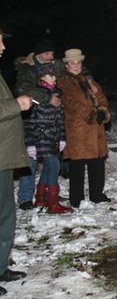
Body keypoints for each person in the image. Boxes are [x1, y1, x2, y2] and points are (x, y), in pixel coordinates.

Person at [57, 49, 111, 208]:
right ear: (66, 65)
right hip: (78, 129)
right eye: (72, 63)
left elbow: (101, 97)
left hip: (95, 130)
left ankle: (96, 194)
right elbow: (71, 104)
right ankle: (76, 198)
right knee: (77, 165)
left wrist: (103, 110)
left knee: (97, 162)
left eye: (78, 62)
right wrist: (93, 113)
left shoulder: (89, 80)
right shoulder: (63, 82)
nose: (75, 66)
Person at [14, 38, 64, 210]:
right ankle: (25, 198)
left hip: (50, 121)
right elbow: (23, 90)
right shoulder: (28, 69)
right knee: (31, 160)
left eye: (52, 53)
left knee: (52, 160)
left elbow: (77, 70)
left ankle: (46, 193)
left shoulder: (55, 66)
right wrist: (48, 98)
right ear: (39, 55)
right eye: (47, 54)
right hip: (32, 120)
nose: (51, 57)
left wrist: (86, 77)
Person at [0, 28, 31, 296]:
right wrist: (16, 104)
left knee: (6, 215)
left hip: (4, 157)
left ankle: (0, 267)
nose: (2, 47)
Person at [23, 62, 71, 213]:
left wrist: (62, 138)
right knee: (54, 166)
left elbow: (60, 119)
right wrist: (30, 143)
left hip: (53, 139)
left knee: (51, 167)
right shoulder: (37, 95)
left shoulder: (57, 94)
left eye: (55, 75)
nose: (54, 78)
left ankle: (41, 198)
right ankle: (52, 203)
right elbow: (29, 122)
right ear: (42, 77)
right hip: (39, 139)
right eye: (51, 75)